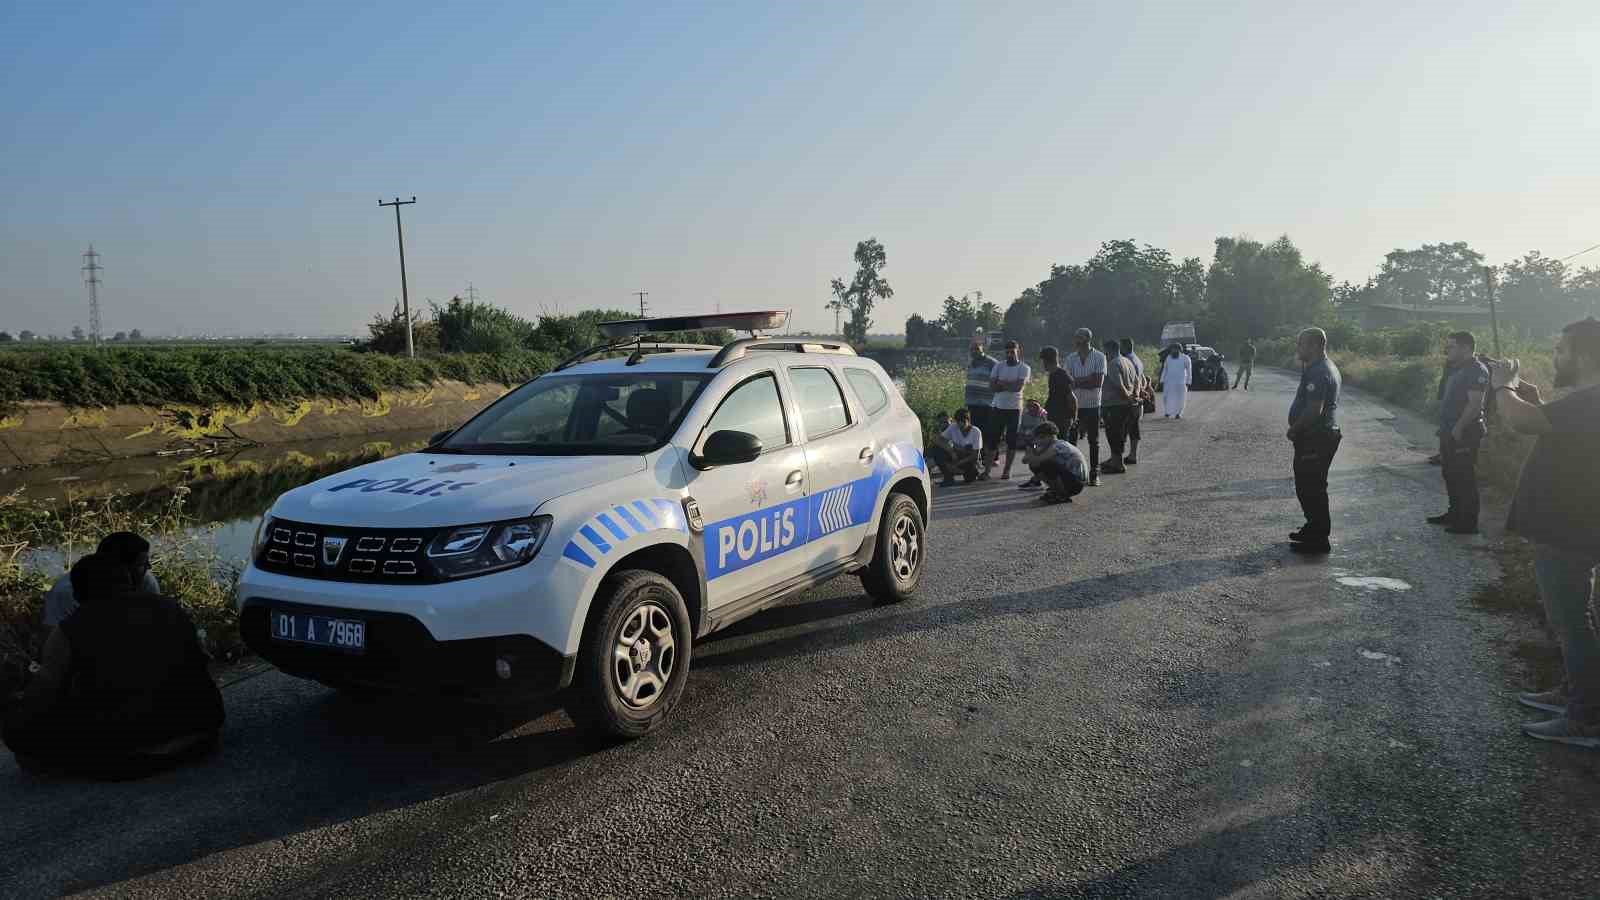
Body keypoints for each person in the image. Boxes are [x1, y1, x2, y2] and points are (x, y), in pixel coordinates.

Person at [4, 553, 224, 779]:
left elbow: (43, 695)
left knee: (16, 724)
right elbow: (202, 662)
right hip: (201, 736)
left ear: (78, 594)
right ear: (129, 581)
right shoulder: (170, 607)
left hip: (129, 756)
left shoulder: (69, 630)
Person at [1487, 317, 1600, 749]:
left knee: (1572, 623)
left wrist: (1504, 386)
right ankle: (1578, 694)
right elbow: (1546, 421)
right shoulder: (1584, 400)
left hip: (1569, 530)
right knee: (1575, 620)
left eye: (1560, 350)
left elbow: (1520, 422)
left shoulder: (1590, 400)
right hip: (1571, 526)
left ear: (1585, 356)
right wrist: (1530, 399)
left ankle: (1586, 718)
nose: (1555, 356)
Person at [1286, 328, 1342, 554]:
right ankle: (1313, 528)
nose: (1298, 349)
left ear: (1316, 346)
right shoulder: (1318, 367)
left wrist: (1294, 429)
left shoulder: (1319, 371)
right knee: (1309, 486)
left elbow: (1313, 410)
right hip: (1317, 436)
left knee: (1311, 488)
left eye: (1301, 344)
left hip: (1316, 437)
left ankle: (1319, 539)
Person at [1427, 332, 1489, 534]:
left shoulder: (1476, 370)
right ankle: (1454, 513)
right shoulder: (1456, 369)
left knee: (1464, 477)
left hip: (1465, 431)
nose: (1448, 351)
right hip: (1449, 430)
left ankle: (1468, 523)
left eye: (1451, 347)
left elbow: (1475, 404)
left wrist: (1459, 427)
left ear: (1465, 347)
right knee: (1450, 474)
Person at [42, 531, 160, 627]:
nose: (148, 567)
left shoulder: (146, 581)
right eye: (141, 565)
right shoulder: (65, 592)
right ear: (119, 568)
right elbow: (53, 640)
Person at [1066, 328, 1106, 486]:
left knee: (1093, 440)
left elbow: (1097, 382)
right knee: (1072, 440)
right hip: (1075, 404)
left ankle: (1094, 473)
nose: (1075, 340)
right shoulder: (1070, 358)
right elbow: (1068, 382)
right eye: (1075, 337)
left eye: (1078, 337)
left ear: (1087, 339)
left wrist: (1077, 381)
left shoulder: (1099, 357)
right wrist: (1086, 379)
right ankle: (1073, 473)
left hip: (1092, 404)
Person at [988, 340, 1032, 480]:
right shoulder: (998, 366)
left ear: (1018, 351)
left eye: (1012, 351)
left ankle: (1007, 470)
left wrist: (1002, 383)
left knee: (1011, 440)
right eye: (1007, 352)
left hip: (1014, 409)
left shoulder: (1024, 368)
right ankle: (987, 471)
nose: (1009, 354)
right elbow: (992, 387)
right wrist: (1008, 385)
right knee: (993, 440)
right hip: (998, 407)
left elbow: (1017, 388)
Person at [1020, 422, 1087, 504]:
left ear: (1048, 436)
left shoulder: (1059, 445)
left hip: (1076, 484)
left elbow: (1039, 459)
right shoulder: (1050, 445)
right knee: (1035, 465)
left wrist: (1032, 450)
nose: (1038, 441)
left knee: (1047, 464)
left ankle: (1062, 494)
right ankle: (1056, 491)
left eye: (1040, 438)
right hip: (1070, 480)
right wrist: (1031, 448)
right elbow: (1025, 460)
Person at [1098, 339, 1138, 475]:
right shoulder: (1128, 361)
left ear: (1108, 350)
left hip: (1115, 404)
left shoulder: (1113, 364)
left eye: (1105, 351)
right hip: (1125, 405)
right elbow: (1137, 380)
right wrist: (1133, 396)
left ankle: (1118, 464)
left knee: (1114, 434)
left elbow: (1119, 385)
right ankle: (1115, 460)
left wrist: (1128, 398)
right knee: (1120, 433)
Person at [964, 340, 999, 479]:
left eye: (977, 349)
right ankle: (980, 458)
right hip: (973, 403)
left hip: (987, 403)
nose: (974, 352)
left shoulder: (992, 363)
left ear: (982, 349)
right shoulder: (971, 363)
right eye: (972, 349)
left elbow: (997, 380)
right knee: (976, 432)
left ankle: (992, 458)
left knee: (988, 431)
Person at [929, 407, 984, 486]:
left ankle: (958, 471)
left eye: (963, 422)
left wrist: (956, 464)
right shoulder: (953, 427)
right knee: (937, 449)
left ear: (969, 421)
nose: (960, 424)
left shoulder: (976, 432)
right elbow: (938, 440)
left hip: (969, 461)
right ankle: (948, 477)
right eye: (958, 422)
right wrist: (951, 452)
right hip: (956, 456)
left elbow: (975, 456)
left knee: (970, 478)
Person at [1039, 344, 1078, 440]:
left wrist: (1074, 418)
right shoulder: (1053, 375)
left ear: (1046, 361)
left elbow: (1072, 399)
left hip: (1062, 418)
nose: (1042, 364)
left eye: (1043, 360)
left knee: (1062, 447)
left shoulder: (1061, 375)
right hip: (1054, 417)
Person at [1119, 338, 1147, 464]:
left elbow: (1134, 381)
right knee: (1131, 427)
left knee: (1128, 427)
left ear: (1125, 347)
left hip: (1129, 398)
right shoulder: (1137, 359)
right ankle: (1129, 455)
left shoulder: (1128, 360)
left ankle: (1128, 455)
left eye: (1121, 347)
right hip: (1136, 397)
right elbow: (1142, 380)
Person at [1016, 399, 1050, 490]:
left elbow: (1047, 431)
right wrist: (1023, 437)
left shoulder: (1044, 415)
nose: (1032, 408)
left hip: (1042, 442)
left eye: (1035, 406)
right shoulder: (1025, 415)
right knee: (1031, 461)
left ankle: (1040, 480)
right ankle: (1036, 480)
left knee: (1038, 461)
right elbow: (1021, 429)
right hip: (1029, 442)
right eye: (1029, 406)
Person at [1160, 343, 1192, 418]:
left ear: (1179, 350)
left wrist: (1188, 381)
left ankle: (1179, 413)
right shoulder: (1168, 357)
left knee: (1180, 398)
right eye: (1172, 349)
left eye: (1175, 349)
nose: (1173, 351)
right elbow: (1165, 369)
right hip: (1168, 382)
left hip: (1181, 382)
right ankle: (1168, 412)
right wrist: (1162, 380)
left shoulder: (1186, 358)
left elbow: (1189, 371)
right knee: (1166, 397)